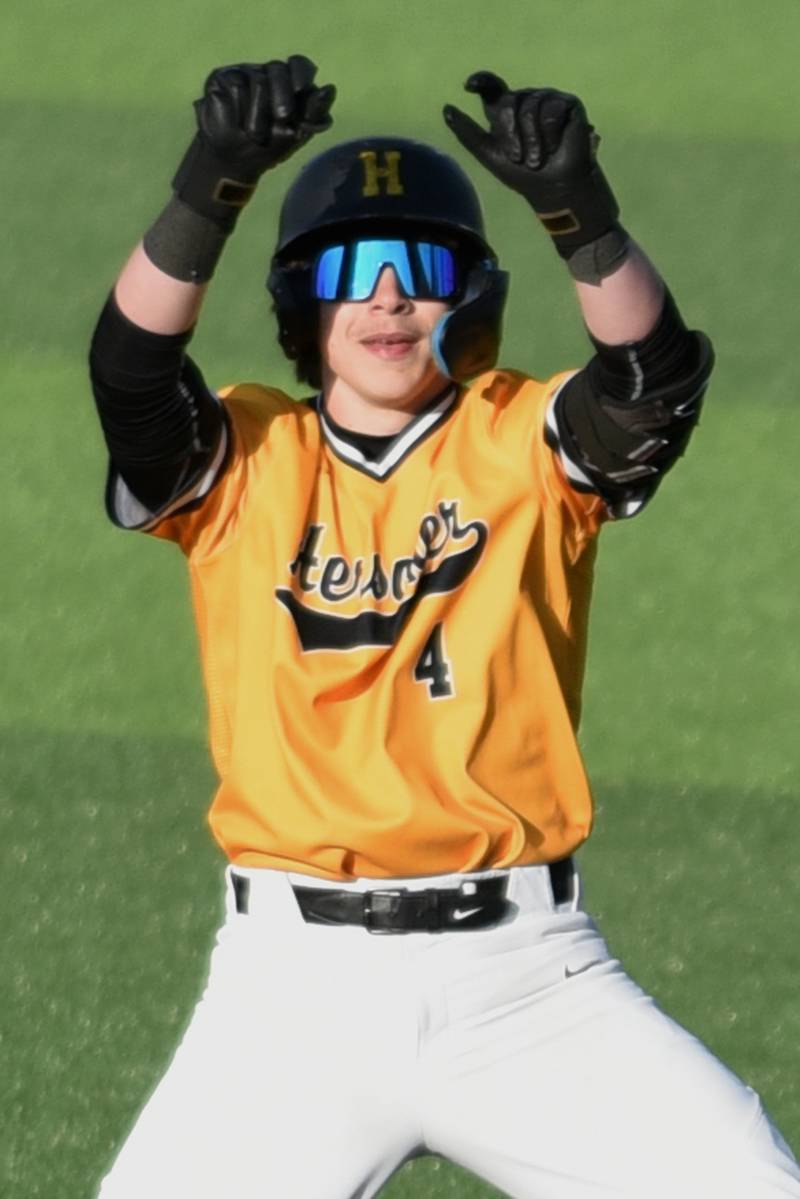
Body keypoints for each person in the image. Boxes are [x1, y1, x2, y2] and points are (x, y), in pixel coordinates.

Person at [89, 56, 800, 1199]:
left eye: (417, 269)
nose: (384, 298)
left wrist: (583, 216)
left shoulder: (519, 436)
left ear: (465, 298)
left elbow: (652, 381)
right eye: (348, 269)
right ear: (300, 303)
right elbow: (129, 376)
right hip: (288, 993)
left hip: (527, 979)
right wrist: (207, 186)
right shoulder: (245, 454)